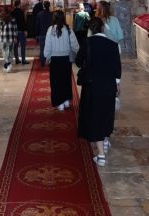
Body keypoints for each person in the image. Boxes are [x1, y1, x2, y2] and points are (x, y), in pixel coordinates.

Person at [76, 17, 121, 166]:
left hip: (92, 86)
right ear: (102, 28)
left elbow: (78, 61)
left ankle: (101, 155)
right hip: (108, 86)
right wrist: (117, 84)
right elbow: (117, 69)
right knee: (107, 113)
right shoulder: (113, 45)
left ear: (90, 29)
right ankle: (106, 141)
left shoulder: (87, 43)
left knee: (95, 116)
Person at [44, 10, 79, 111]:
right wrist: (78, 52)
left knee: (56, 81)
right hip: (66, 59)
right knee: (66, 80)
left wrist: (47, 56)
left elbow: (48, 45)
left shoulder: (50, 29)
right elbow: (75, 44)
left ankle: (60, 103)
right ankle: (66, 100)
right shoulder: (68, 29)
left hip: (54, 59)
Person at [0, 6, 18, 73]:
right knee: (9, 51)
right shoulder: (13, 20)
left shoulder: (0, 20)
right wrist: (15, 37)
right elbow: (15, 29)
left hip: (3, 38)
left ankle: (7, 64)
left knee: (4, 51)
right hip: (11, 38)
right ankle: (8, 64)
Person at [36, 0, 52, 67]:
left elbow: (37, 25)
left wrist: (37, 34)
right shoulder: (51, 14)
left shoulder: (39, 14)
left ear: (43, 6)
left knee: (42, 48)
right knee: (50, 48)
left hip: (41, 33)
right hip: (50, 34)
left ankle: (42, 62)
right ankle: (48, 61)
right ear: (49, 6)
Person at [12, 0, 29, 65]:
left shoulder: (12, 12)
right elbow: (23, 22)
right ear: (19, 4)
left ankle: (17, 59)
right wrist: (25, 30)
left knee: (15, 46)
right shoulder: (21, 12)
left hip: (15, 31)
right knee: (23, 46)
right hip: (21, 31)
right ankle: (23, 60)